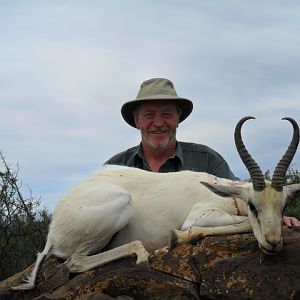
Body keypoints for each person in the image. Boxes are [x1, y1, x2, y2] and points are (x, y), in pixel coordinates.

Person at [105, 77, 300, 226]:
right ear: (137, 121)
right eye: (149, 115)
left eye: (167, 114)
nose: (158, 123)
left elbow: (244, 198)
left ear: (178, 120)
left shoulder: (207, 160)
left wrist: (272, 217)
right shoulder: (116, 167)